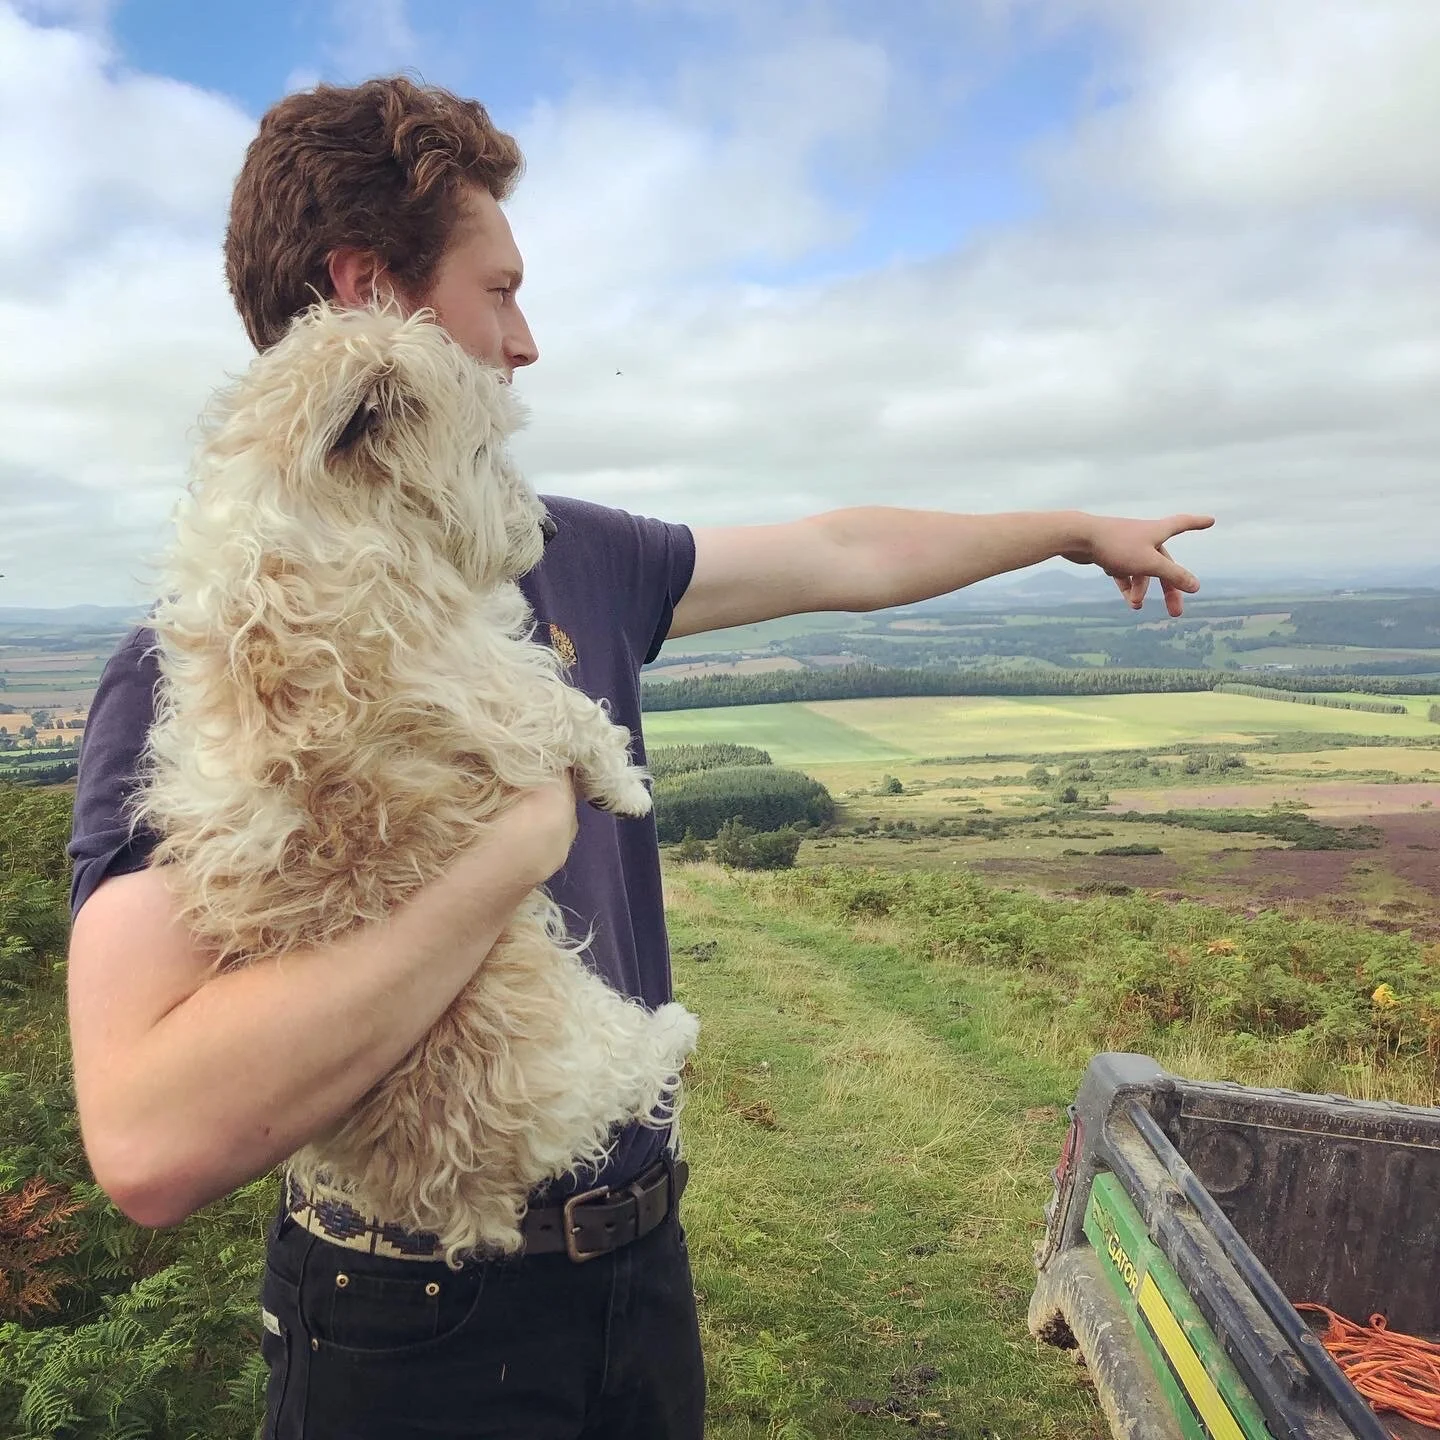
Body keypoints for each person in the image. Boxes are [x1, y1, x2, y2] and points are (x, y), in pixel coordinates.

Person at [65, 77, 1213, 1440]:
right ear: (370, 295)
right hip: (404, 1320)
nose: (528, 340)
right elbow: (148, 1140)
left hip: (633, 1268)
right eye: (500, 291)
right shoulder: (213, 653)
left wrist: (1071, 527)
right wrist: (511, 855)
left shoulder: (567, 552)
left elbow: (837, 553)